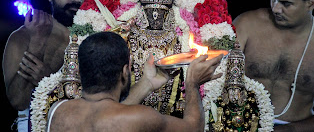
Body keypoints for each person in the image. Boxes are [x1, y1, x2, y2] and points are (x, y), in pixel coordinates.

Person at [47, 31, 223, 132]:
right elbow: (193, 129)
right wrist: (192, 83)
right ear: (125, 71)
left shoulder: (57, 111)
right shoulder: (140, 117)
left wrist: (147, 83)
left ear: (79, 71)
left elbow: (105, 111)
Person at [2, 0, 96, 131]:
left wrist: (49, 83)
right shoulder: (23, 37)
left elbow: (102, 101)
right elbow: (18, 101)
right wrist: (37, 44)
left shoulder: (97, 42)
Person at [233, 0, 314, 131]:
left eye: (286, 4)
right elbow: (215, 77)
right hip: (237, 124)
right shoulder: (247, 24)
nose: (275, 9)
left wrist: (290, 130)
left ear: (311, 3)